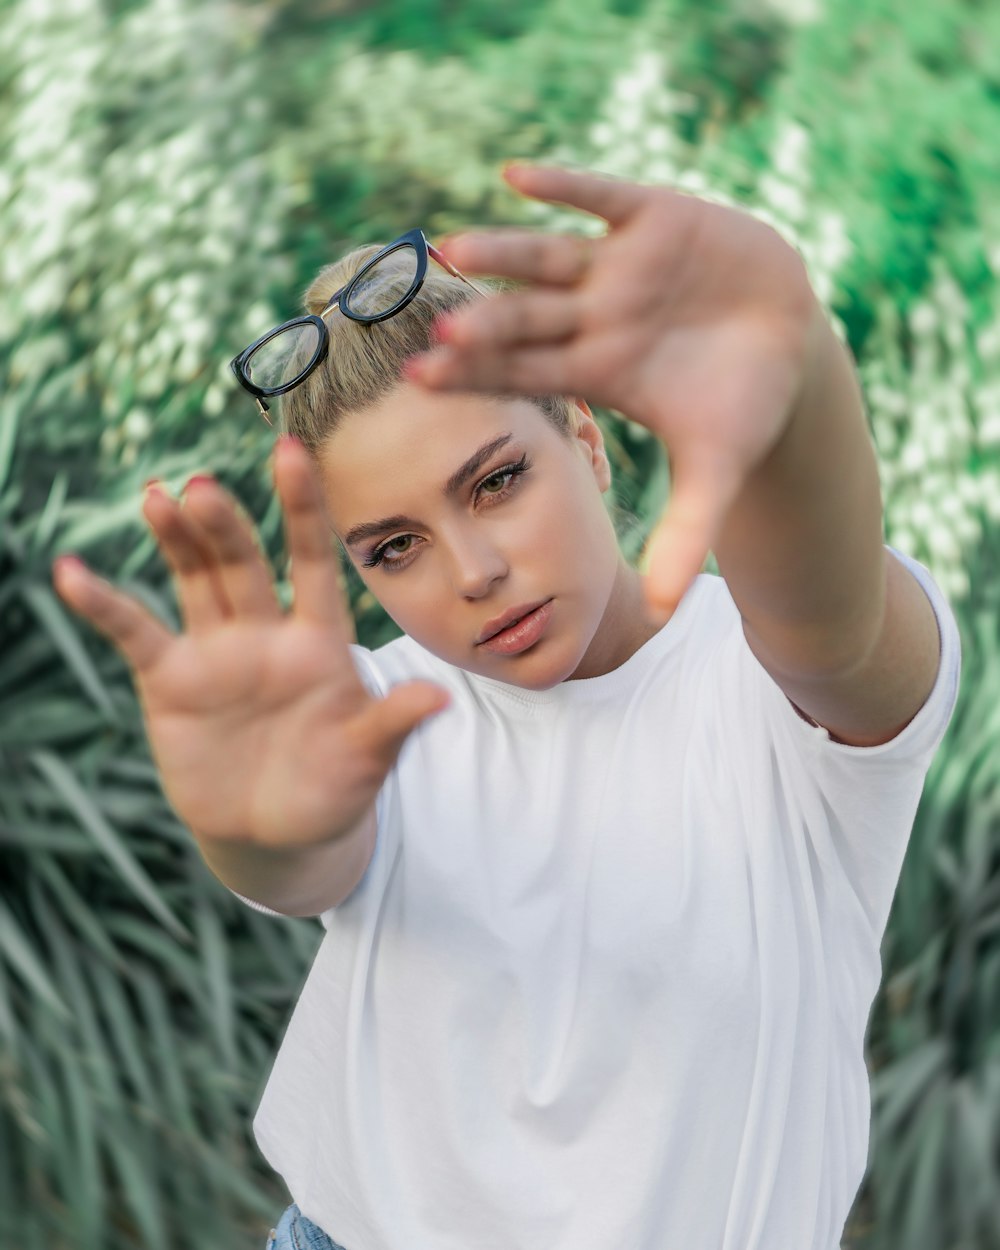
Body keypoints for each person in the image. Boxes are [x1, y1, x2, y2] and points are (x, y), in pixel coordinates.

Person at [53, 164, 961, 1250]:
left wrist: (793, 368)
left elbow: (834, 621)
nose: (473, 570)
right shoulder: (374, 711)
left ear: (582, 437)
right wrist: (251, 830)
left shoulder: (767, 690)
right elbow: (305, 859)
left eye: (494, 481)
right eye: (395, 546)